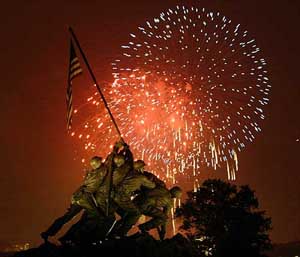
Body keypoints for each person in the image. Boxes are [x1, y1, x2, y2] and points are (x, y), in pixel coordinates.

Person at [40, 156, 107, 242]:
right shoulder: (101, 172)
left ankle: (48, 232)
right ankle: (77, 237)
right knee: (97, 216)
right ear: (99, 162)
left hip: (78, 196)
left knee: (67, 217)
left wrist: (74, 197)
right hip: (85, 197)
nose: (93, 165)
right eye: (94, 164)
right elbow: (108, 165)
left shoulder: (90, 173)